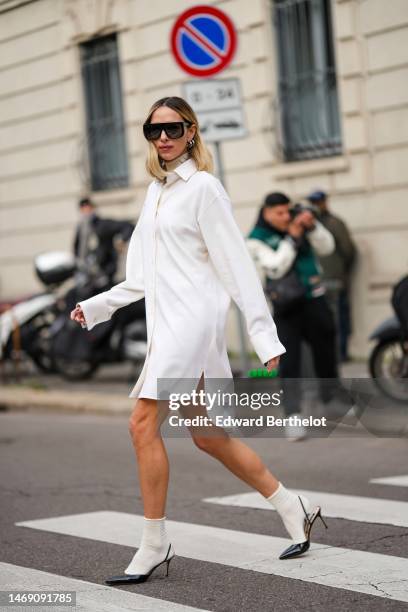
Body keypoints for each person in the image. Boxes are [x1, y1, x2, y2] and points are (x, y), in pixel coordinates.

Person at [70, 97, 328, 585]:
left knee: (142, 422)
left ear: (191, 131)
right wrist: (100, 306)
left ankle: (154, 543)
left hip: (193, 323)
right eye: (154, 130)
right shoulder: (157, 192)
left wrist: (263, 335)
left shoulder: (205, 189)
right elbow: (141, 276)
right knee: (207, 434)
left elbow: (236, 266)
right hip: (167, 325)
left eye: (173, 128)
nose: (163, 137)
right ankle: (291, 504)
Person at [246, 192, 349, 440]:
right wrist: (292, 238)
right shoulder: (255, 240)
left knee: (326, 352)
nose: (284, 217)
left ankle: (331, 398)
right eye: (278, 213)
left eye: (287, 211)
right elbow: (276, 266)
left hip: (315, 300)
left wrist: (311, 226)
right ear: (266, 212)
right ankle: (293, 415)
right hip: (286, 308)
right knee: (289, 364)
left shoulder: (301, 226)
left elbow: (327, 247)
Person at [307, 190, 356, 362]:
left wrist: (341, 271)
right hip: (317, 280)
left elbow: (349, 251)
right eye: (313, 202)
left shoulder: (335, 223)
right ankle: (330, 355)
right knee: (325, 319)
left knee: (339, 318)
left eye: (319, 201)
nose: (316, 205)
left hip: (334, 277)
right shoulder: (307, 224)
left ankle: (340, 353)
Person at [73, 197, 134, 285]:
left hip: (105, 272)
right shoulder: (80, 228)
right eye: (83, 208)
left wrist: (121, 241)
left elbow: (127, 226)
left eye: (88, 207)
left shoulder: (103, 224)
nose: (86, 211)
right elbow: (77, 249)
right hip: (87, 273)